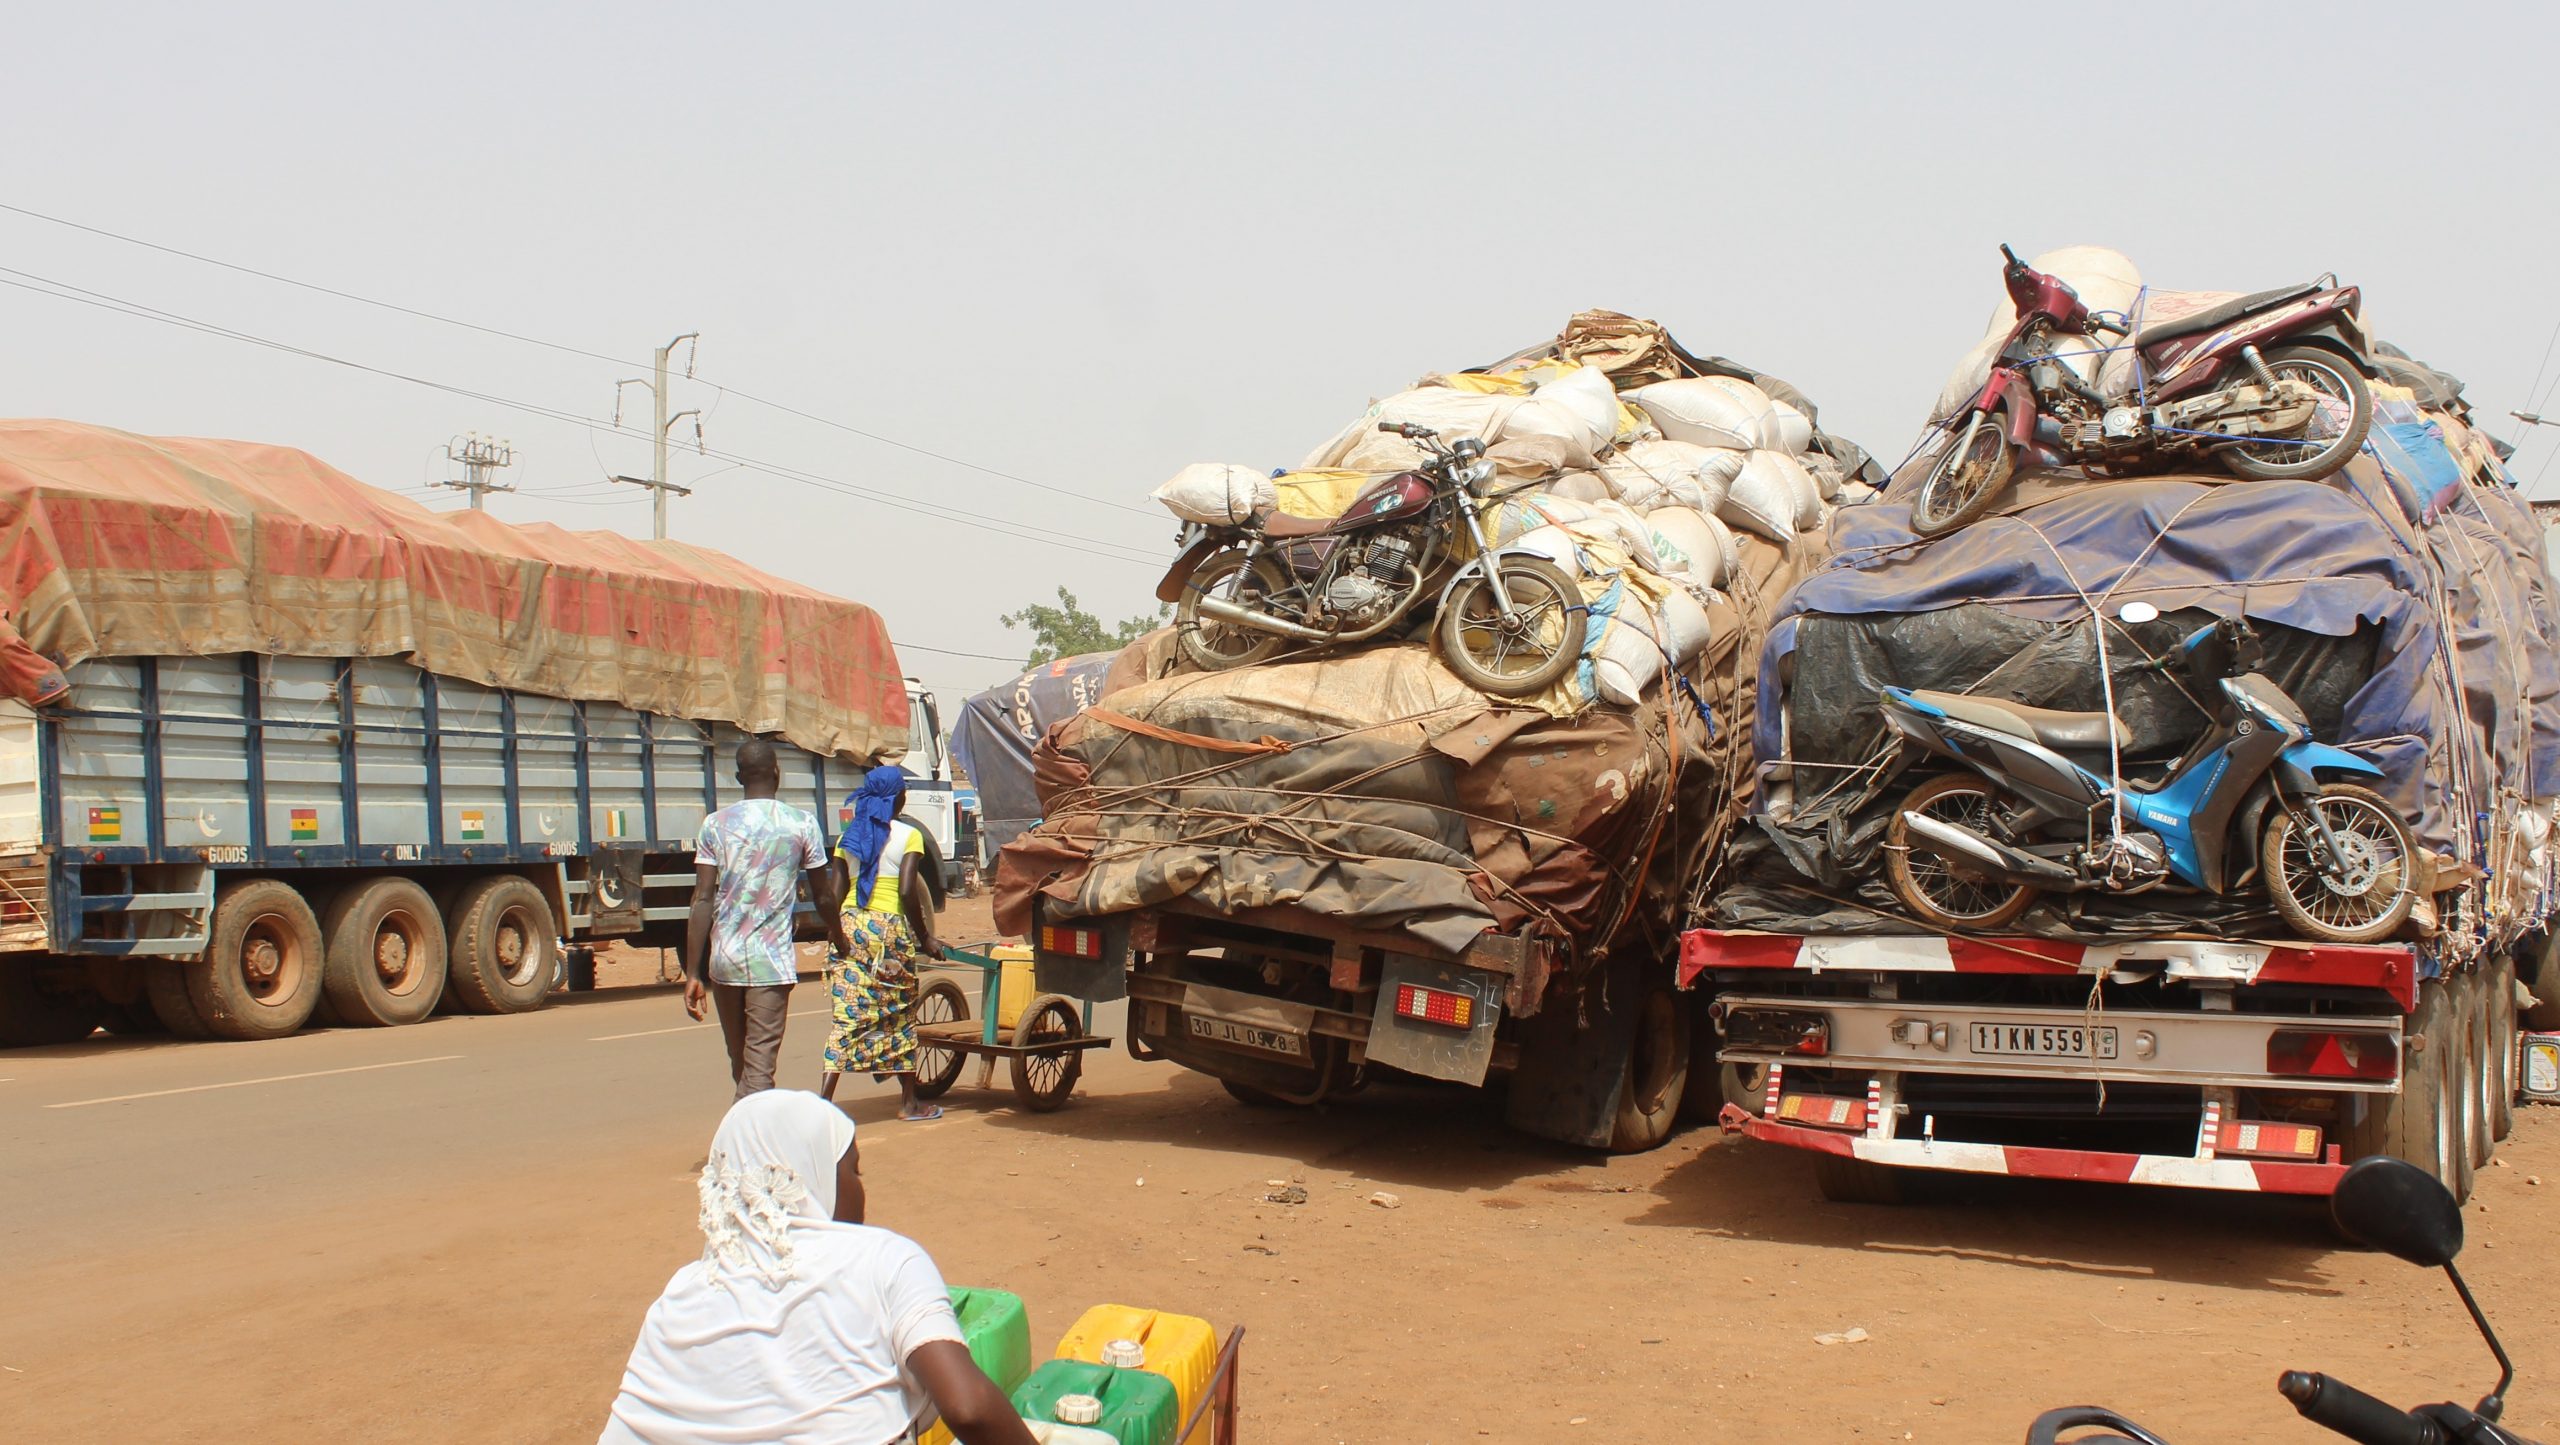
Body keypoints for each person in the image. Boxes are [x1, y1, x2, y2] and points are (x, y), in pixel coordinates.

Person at [598, 1090, 1037, 1445]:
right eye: (854, 1173)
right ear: (812, 1177)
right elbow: (969, 1409)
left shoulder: (681, 1293)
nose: (862, 1193)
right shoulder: (885, 1260)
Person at [686, 739, 848, 1100]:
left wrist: (693, 973)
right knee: (758, 1070)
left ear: (738, 776)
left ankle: (747, 1138)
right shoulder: (801, 824)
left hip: (724, 961)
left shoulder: (715, 825)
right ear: (778, 772)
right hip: (769, 964)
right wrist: (837, 933)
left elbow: (701, 898)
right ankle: (744, 1151)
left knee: (742, 1065)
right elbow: (823, 895)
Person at [821, 765, 945, 1121]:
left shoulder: (848, 838)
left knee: (849, 1017)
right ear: (898, 798)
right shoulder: (909, 835)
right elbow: (907, 892)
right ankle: (908, 1103)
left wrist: (837, 932)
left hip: (849, 926)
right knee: (899, 1013)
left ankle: (823, 1103)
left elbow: (835, 893)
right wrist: (925, 937)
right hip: (887, 929)